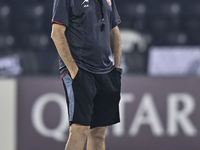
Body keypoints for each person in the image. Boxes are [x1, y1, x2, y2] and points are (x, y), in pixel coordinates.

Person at [51, 0, 122, 149]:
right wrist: (73, 70)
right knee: (80, 129)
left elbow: (114, 30)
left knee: (99, 132)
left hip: (105, 71)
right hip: (80, 68)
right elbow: (56, 33)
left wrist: (117, 67)